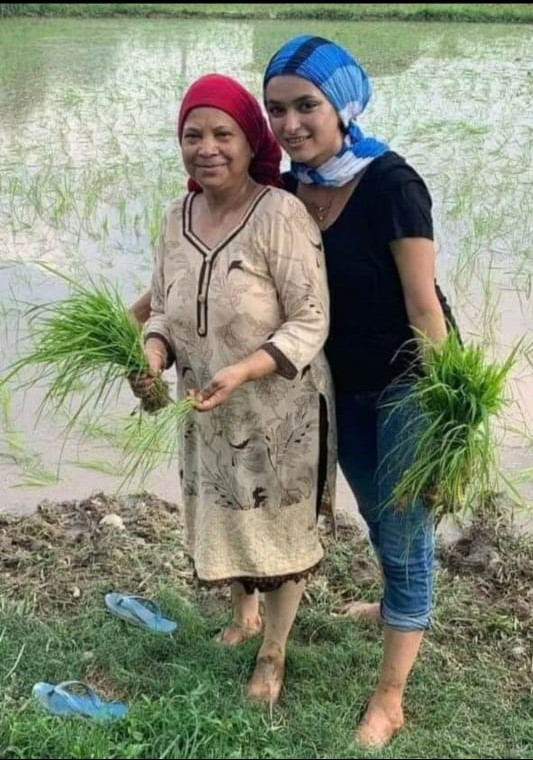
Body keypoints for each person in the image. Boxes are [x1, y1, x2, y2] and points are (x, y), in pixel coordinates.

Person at [263, 35, 457, 747]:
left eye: (305, 106)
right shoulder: (287, 190)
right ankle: (391, 605)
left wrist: (442, 426)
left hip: (408, 383)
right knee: (375, 510)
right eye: (275, 109)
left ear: (342, 105)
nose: (289, 125)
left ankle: (389, 697)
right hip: (337, 386)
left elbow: (423, 308)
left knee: (405, 535)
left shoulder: (389, 183)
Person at [130, 73, 336, 705]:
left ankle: (272, 653)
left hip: (280, 413)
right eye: (193, 135)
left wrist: (246, 368)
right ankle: (242, 616)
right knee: (223, 514)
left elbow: (311, 317)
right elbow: (164, 303)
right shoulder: (176, 215)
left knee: (275, 530)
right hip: (206, 406)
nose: (207, 147)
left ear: (252, 143)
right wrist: (155, 350)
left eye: (224, 133)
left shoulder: (281, 214)